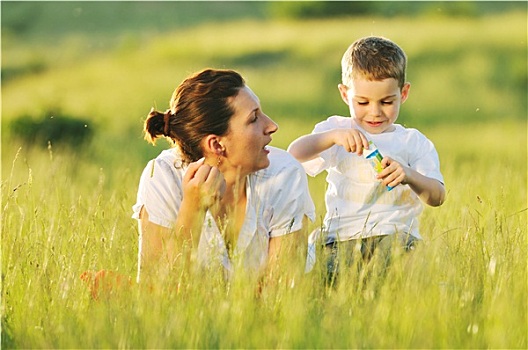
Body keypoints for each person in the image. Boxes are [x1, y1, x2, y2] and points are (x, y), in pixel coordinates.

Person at [132, 68, 315, 287]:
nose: (271, 126)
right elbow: (157, 295)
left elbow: (281, 293)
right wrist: (193, 208)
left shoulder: (284, 175)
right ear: (217, 144)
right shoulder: (162, 178)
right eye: (254, 119)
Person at [287, 36, 445, 282]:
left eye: (386, 102)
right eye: (362, 102)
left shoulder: (413, 142)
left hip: (395, 236)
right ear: (344, 94)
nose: (375, 112)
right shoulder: (337, 130)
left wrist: (409, 175)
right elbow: (294, 155)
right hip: (340, 238)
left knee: (405, 272)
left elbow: (437, 196)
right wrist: (332, 138)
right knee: (324, 283)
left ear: (403, 93)